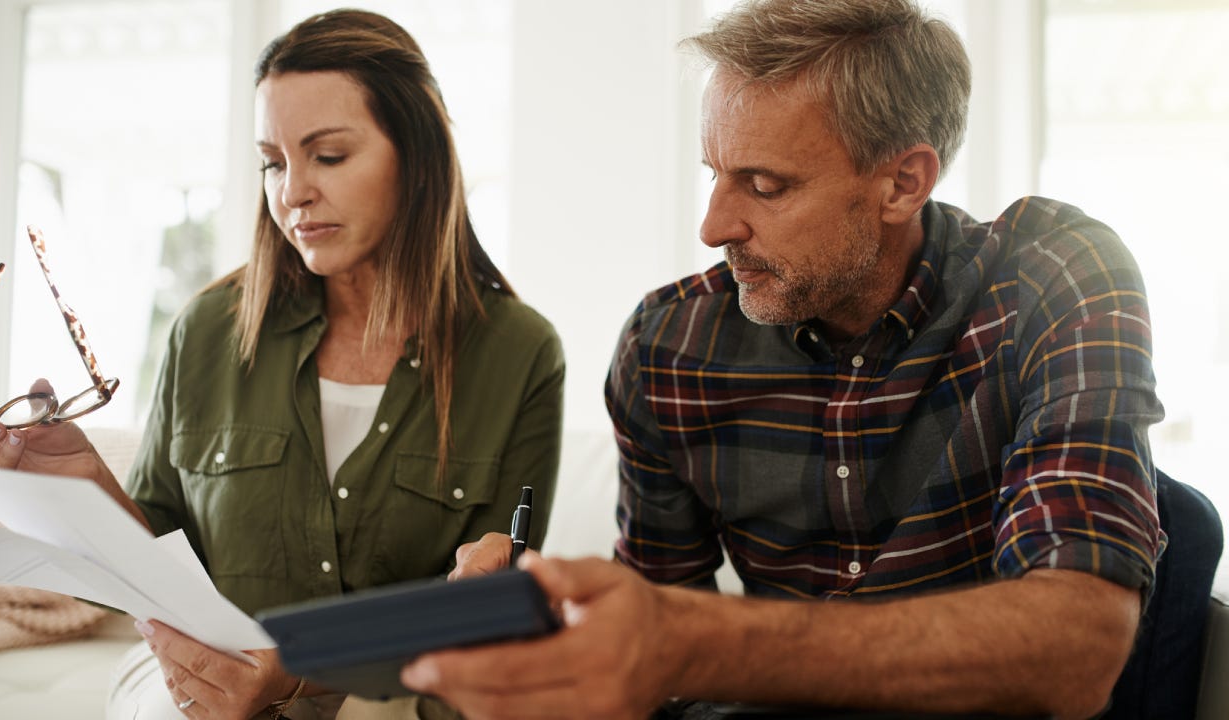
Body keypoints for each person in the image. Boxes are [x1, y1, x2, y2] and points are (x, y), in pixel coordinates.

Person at [386, 1, 1173, 719]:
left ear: (904, 181)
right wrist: (548, 636)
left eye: (763, 185)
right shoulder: (669, 351)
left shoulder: (1053, 276)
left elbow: (1079, 648)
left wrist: (689, 638)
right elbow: (654, 679)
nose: (713, 225)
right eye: (715, 174)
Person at [0, 8, 563, 720]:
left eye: (328, 156)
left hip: (392, 699)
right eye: (273, 162)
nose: (292, 191)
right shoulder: (208, 332)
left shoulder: (520, 353)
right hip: (199, 688)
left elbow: (490, 616)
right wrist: (83, 489)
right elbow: (158, 569)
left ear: (418, 156)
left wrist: (300, 674)